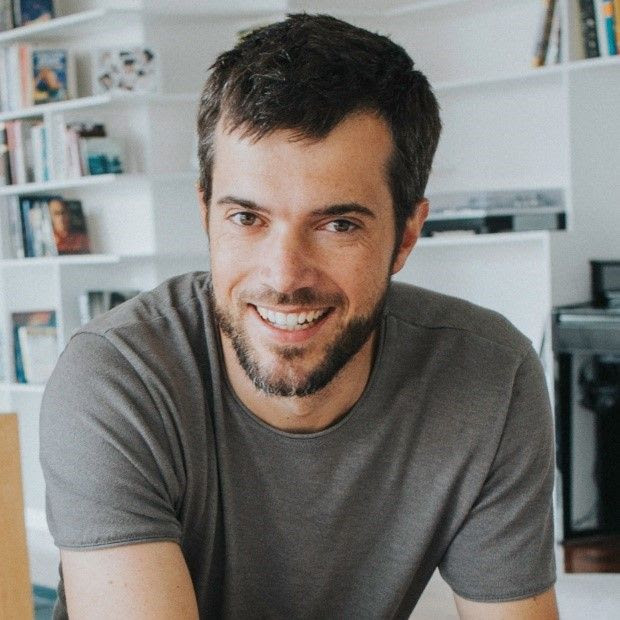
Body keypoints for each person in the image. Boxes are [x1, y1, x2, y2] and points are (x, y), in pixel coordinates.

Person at [39, 13, 558, 619]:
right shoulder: (117, 378)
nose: (284, 277)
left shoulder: (488, 377)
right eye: (247, 218)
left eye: (338, 224)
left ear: (406, 235)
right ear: (206, 214)